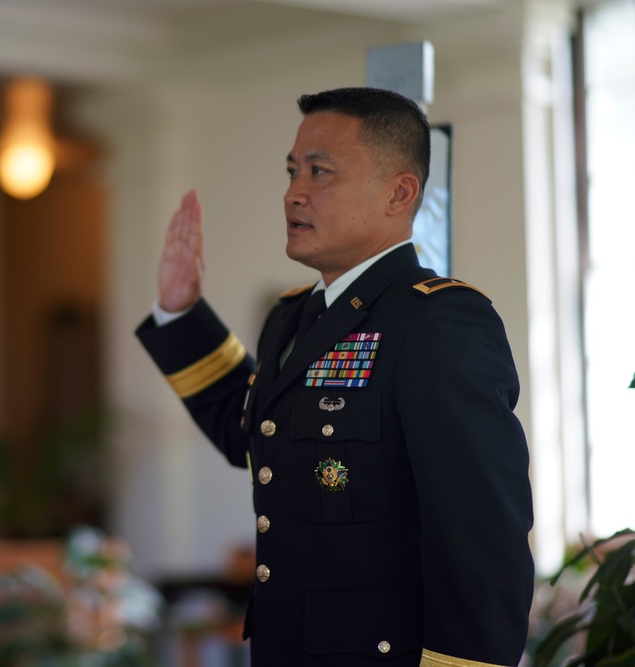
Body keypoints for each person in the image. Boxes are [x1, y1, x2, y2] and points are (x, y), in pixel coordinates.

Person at [136, 88, 533, 666]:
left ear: (399, 192)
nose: (294, 194)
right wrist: (180, 314)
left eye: (320, 173)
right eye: (294, 171)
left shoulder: (437, 320)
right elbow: (255, 435)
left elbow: (482, 539)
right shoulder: (292, 317)